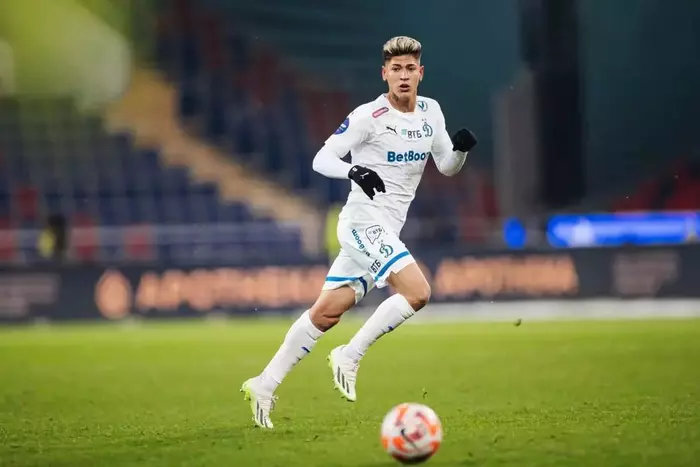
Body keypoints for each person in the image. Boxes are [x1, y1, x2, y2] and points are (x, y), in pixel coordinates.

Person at [240, 36, 477, 429]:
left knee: (325, 313)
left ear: (421, 73)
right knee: (418, 292)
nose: (403, 75)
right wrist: (354, 170)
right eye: (396, 69)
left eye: (410, 68)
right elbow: (321, 158)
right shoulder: (369, 116)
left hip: (387, 230)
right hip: (362, 223)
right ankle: (349, 355)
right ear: (385, 74)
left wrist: (461, 151)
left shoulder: (431, 112)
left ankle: (264, 384)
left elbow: (446, 166)